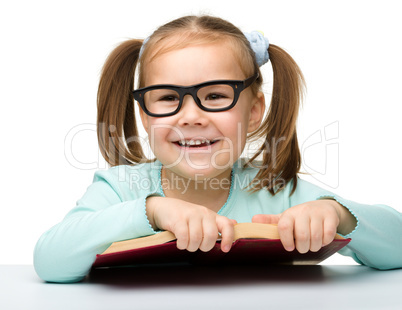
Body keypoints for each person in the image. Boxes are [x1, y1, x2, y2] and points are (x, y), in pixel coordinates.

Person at [34, 15, 402, 283]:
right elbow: (50, 260)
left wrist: (338, 214)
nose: (191, 116)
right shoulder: (120, 189)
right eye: (166, 98)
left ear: (254, 110)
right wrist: (151, 211)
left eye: (214, 95)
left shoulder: (276, 191)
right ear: (144, 115)